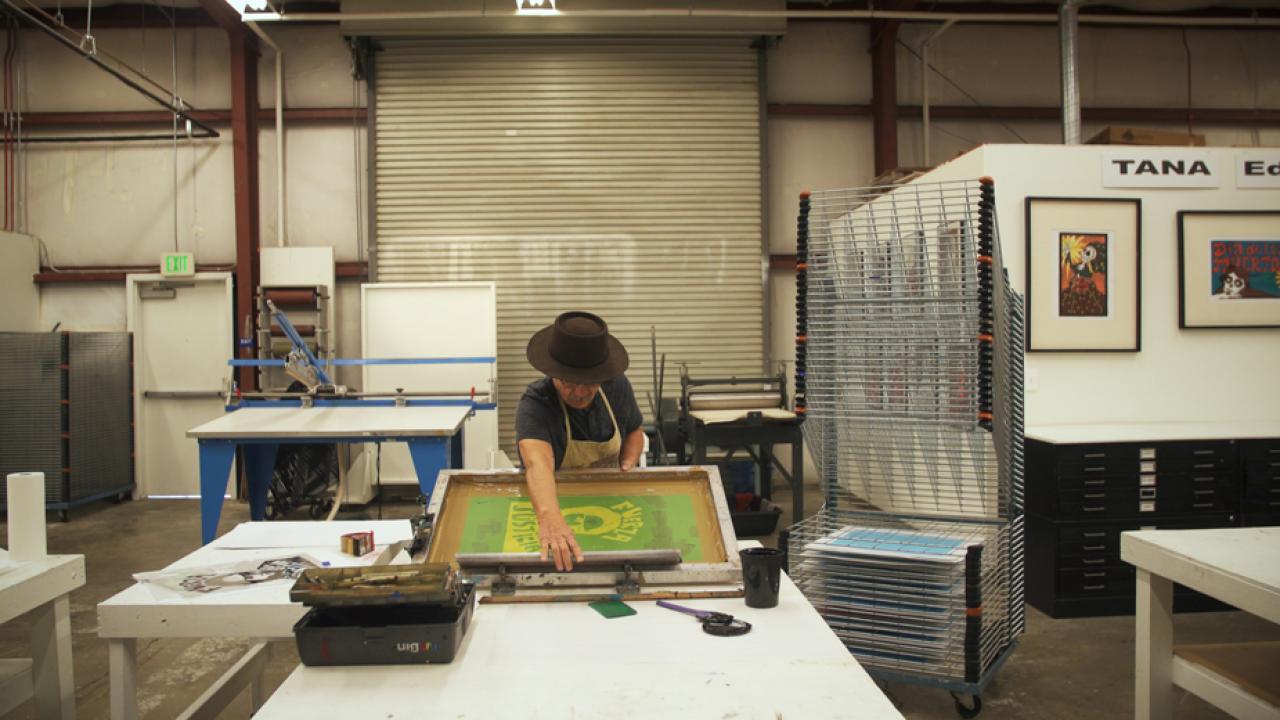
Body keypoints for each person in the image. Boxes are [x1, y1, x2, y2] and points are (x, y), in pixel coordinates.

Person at [515, 311, 645, 571]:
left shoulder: (617, 387)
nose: (579, 392)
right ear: (553, 373)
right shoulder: (537, 403)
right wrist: (550, 519)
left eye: (589, 383)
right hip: (551, 502)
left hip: (610, 503)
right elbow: (537, 464)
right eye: (569, 382)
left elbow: (634, 430)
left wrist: (627, 467)